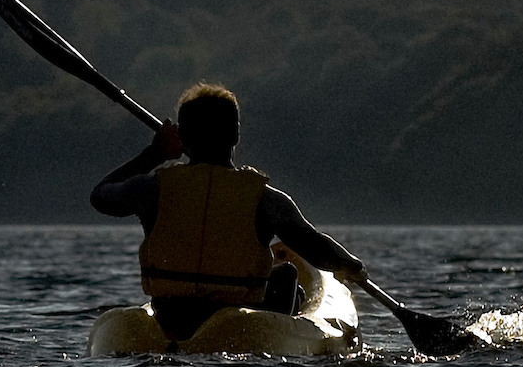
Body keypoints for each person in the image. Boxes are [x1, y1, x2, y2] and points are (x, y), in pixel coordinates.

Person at [91, 83, 367, 341]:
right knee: (286, 275)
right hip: (239, 326)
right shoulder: (265, 199)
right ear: (235, 134)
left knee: (284, 275)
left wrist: (154, 154)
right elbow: (315, 247)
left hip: (171, 316)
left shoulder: (153, 189)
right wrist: (352, 265)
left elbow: (101, 195)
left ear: (183, 136)